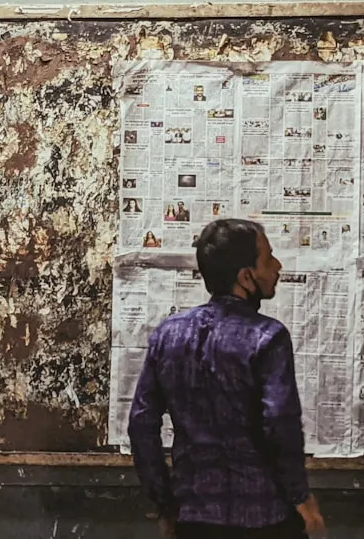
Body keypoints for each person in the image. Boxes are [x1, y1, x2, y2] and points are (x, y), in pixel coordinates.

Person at [128, 219, 326, 539]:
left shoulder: (168, 334)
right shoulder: (268, 336)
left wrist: (164, 502)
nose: (277, 266)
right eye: (268, 259)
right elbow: (279, 422)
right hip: (265, 518)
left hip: (193, 517)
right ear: (245, 277)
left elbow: (141, 424)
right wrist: (301, 498)